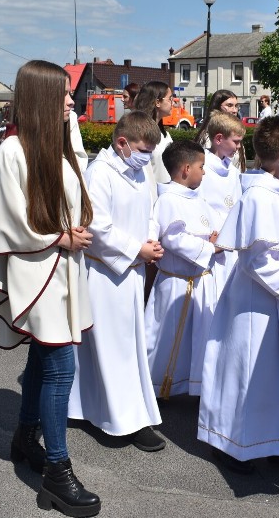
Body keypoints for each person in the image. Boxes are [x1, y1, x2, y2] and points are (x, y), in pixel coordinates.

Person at [0, 59, 100, 517]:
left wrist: (74, 230)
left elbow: (76, 188)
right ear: (40, 97)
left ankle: (24, 437)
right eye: (62, 94)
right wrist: (60, 236)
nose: (70, 101)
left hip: (62, 268)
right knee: (62, 366)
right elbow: (5, 217)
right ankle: (57, 474)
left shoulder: (55, 145)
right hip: (37, 269)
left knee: (43, 358)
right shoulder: (12, 151)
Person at [198, 116, 279, 475]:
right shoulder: (257, 197)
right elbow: (257, 260)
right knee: (248, 372)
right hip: (255, 303)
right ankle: (230, 443)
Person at [67, 111, 167, 452]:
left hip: (132, 269)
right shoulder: (101, 174)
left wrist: (150, 241)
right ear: (122, 143)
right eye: (142, 149)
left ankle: (85, 407)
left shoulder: (139, 173)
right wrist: (136, 248)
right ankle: (124, 419)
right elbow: (97, 226)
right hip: (104, 273)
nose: (147, 157)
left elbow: (151, 210)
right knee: (114, 348)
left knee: (125, 345)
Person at [145, 140, 220, 398]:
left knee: (197, 337)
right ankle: (158, 386)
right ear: (186, 169)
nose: (205, 171)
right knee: (165, 338)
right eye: (201, 166)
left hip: (199, 281)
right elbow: (172, 238)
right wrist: (209, 247)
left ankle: (191, 384)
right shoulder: (168, 199)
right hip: (175, 282)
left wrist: (214, 239)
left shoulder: (197, 198)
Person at [199, 112, 244, 298]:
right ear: (218, 139)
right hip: (212, 246)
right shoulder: (202, 169)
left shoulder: (233, 172)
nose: (239, 147)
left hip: (232, 246)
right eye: (236, 141)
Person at [133, 81, 174, 186]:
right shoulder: (140, 135)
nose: (173, 103)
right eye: (170, 99)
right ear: (157, 102)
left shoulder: (165, 134)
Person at [195, 90, 246, 172]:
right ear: (217, 107)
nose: (235, 110)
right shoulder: (208, 138)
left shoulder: (235, 133)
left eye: (236, 106)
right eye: (229, 105)